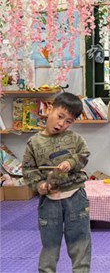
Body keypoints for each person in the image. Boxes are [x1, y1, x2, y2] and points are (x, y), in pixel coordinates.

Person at [22, 92, 92, 273]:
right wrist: (40, 185)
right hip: (49, 201)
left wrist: (71, 162)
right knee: (50, 244)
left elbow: (84, 155)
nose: (62, 124)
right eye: (60, 116)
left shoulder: (75, 139)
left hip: (75, 196)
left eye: (68, 121)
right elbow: (28, 170)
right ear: (50, 109)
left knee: (80, 241)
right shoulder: (34, 143)